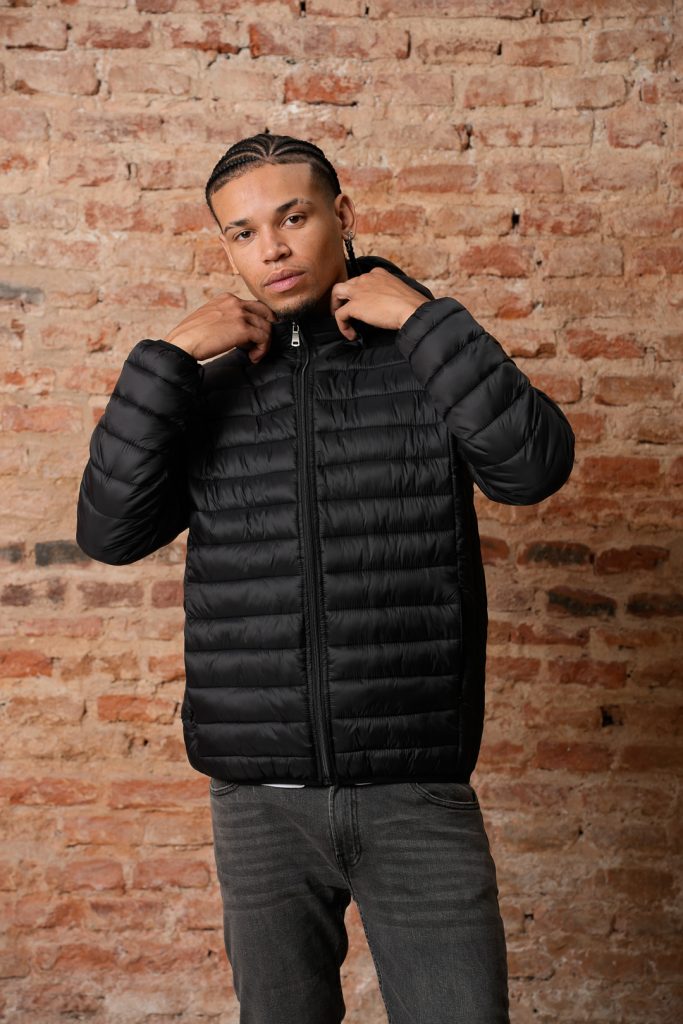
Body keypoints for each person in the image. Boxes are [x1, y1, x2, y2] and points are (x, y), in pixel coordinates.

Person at [76, 132, 575, 1024]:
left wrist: (426, 320)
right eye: (242, 233)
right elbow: (110, 534)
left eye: (292, 218)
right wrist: (167, 357)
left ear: (340, 216)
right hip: (259, 808)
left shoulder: (425, 360)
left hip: (414, 792)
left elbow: (531, 468)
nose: (270, 249)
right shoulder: (210, 389)